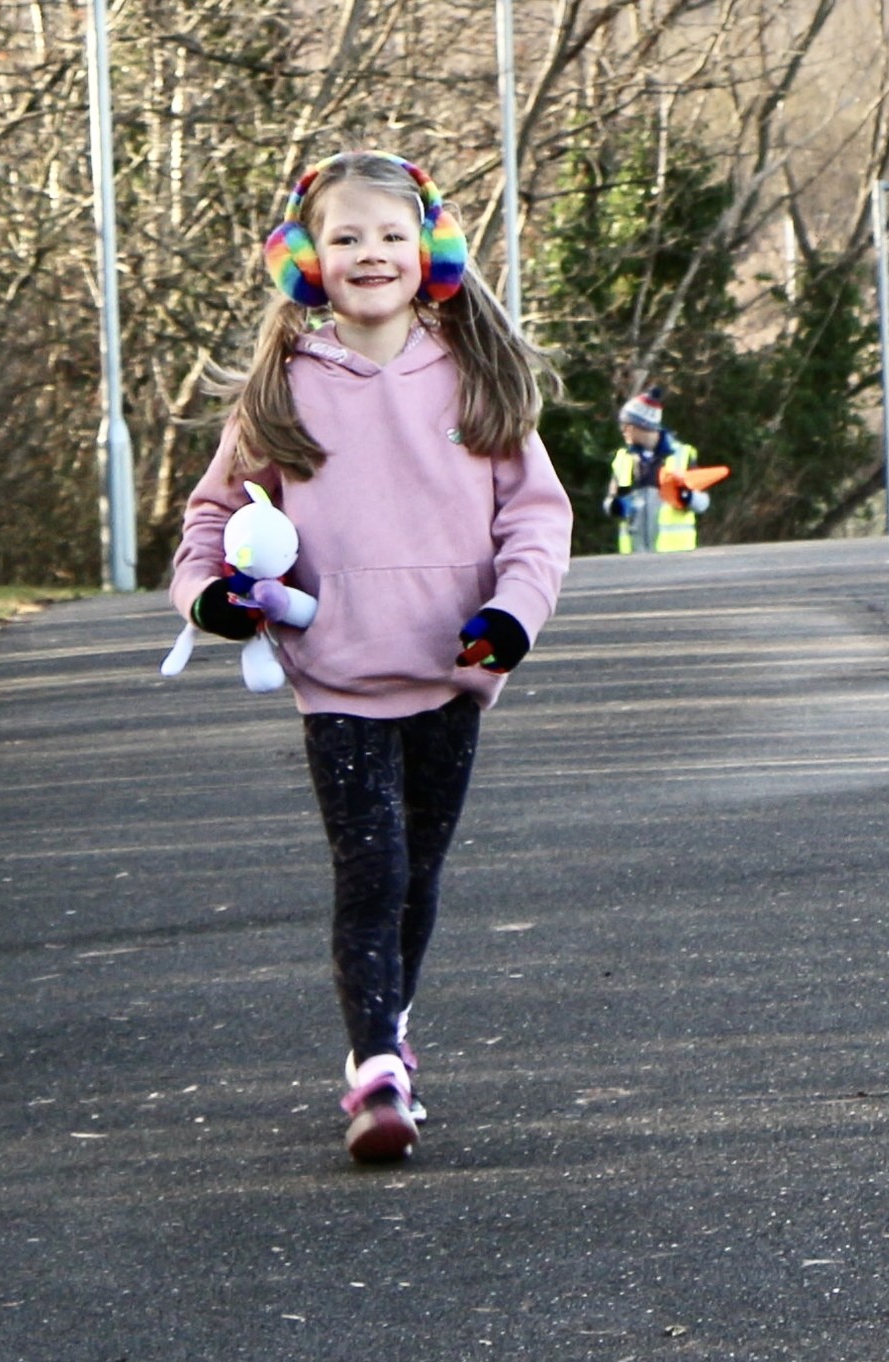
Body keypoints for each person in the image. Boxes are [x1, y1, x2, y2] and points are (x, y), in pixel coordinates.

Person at [169, 151, 572, 1162]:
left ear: (429, 251)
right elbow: (211, 519)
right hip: (335, 674)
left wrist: (511, 616)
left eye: (391, 235)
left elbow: (536, 520)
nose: (369, 254)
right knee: (371, 866)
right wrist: (209, 596)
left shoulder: (477, 374)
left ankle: (389, 1036)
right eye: (344, 236)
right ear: (304, 258)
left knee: (418, 873)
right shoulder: (284, 385)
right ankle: (374, 1068)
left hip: (453, 667)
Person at [602, 387, 702, 552]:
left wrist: (687, 497)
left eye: (627, 426)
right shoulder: (623, 458)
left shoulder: (681, 455)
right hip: (634, 558)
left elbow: (702, 503)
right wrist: (615, 506)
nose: (623, 431)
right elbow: (610, 501)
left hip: (675, 557)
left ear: (643, 426)